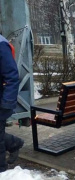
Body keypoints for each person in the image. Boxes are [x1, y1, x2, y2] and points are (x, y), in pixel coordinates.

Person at [0, 34, 24, 173]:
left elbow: (12, 76)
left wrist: (7, 103)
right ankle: (14, 143)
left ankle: (2, 171)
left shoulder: (1, 45)